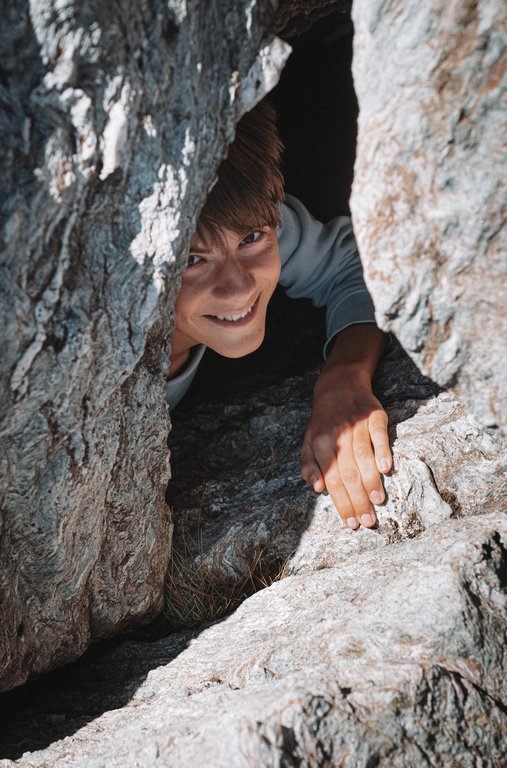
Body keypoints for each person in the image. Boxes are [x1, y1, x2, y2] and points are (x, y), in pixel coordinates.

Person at [167, 101, 392, 530]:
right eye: (191, 261)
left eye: (251, 239)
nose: (238, 287)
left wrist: (344, 375)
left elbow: (358, 267)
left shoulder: (250, 216)